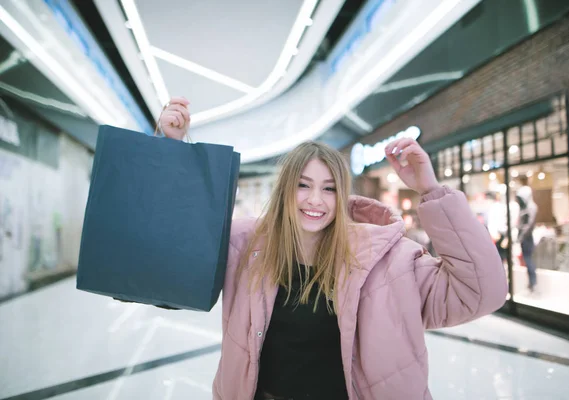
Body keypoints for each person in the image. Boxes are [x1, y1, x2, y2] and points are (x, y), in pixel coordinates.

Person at [159, 97, 508, 400]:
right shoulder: (245, 245)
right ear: (284, 191)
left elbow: (480, 292)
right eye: (303, 185)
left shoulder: (388, 258)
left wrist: (430, 190)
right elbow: (167, 268)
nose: (315, 200)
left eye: (329, 188)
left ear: (342, 195)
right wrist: (169, 153)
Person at [516, 185, 538, 292]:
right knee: (526, 260)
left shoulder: (532, 207)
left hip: (527, 238)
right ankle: (531, 283)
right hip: (524, 238)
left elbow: (529, 224)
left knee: (528, 260)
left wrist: (521, 235)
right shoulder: (525, 207)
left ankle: (533, 283)